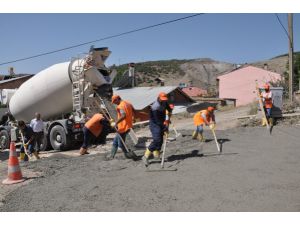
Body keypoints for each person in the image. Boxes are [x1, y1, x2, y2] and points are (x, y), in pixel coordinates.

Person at [142, 92, 172, 167]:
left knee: (160, 140)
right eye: (162, 99)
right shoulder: (155, 106)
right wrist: (165, 127)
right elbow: (156, 120)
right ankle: (145, 156)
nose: (164, 101)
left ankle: (156, 153)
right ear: (158, 98)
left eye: (165, 99)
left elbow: (168, 108)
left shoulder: (165, 102)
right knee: (157, 140)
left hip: (161, 122)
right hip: (154, 124)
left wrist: (169, 115)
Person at [109, 95, 137, 159]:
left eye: (114, 102)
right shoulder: (127, 103)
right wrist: (133, 117)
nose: (115, 103)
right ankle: (111, 156)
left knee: (121, 144)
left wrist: (116, 123)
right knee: (116, 141)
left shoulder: (121, 106)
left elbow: (123, 115)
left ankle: (130, 154)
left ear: (117, 99)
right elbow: (133, 110)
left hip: (123, 127)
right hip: (128, 125)